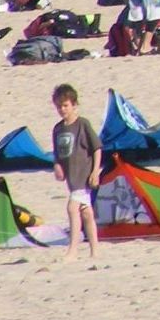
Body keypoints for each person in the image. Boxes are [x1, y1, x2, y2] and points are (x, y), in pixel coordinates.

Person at [51, 83, 102, 261]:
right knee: (87, 214)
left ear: (74, 105)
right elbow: (57, 153)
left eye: (65, 105)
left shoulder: (83, 124)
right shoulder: (58, 129)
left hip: (84, 175)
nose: (62, 109)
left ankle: (72, 250)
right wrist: (57, 166)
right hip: (71, 178)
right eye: (59, 106)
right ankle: (95, 251)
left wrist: (95, 171)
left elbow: (97, 149)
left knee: (72, 208)